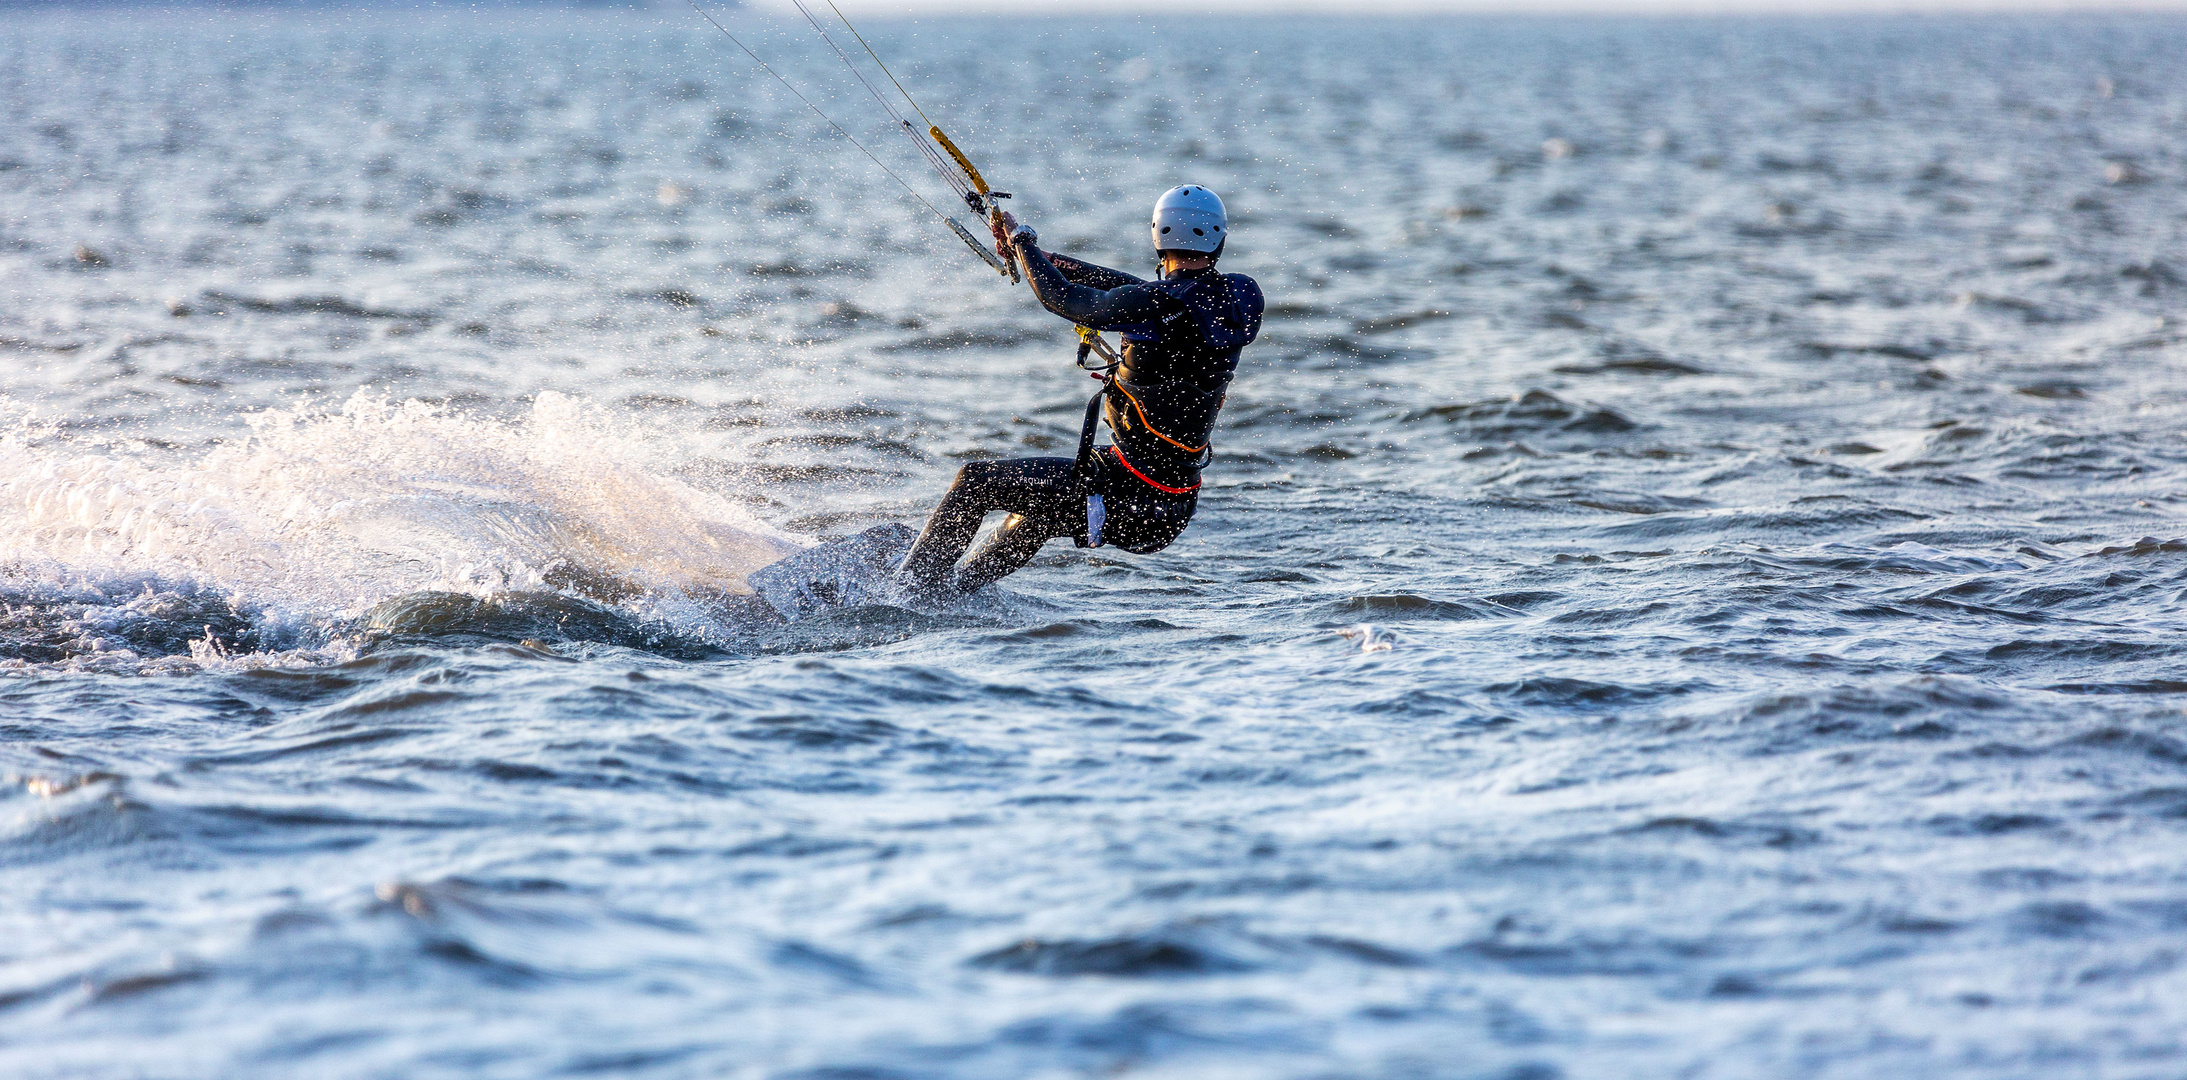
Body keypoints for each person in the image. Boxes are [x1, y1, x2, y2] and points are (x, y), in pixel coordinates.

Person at [895, 185, 1265, 596]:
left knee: (974, 482)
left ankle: (906, 595)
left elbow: (1067, 299)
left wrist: (1023, 240)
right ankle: (953, 594)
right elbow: (1133, 293)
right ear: (1221, 238)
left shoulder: (1156, 304)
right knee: (1035, 513)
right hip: (1168, 504)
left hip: (1130, 496)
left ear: (1158, 236)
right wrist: (1046, 260)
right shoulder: (1241, 297)